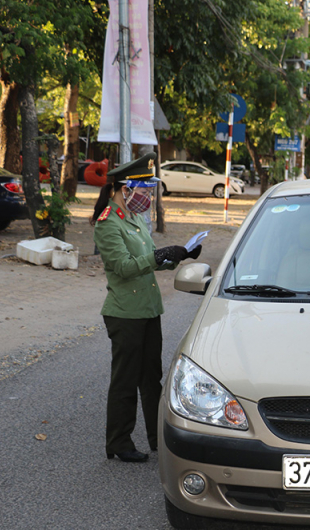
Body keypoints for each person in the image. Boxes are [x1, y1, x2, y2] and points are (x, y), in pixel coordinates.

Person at [91, 152, 201, 463]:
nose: (147, 196)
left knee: (153, 379)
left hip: (149, 310)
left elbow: (152, 258)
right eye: (144, 189)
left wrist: (180, 254)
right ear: (124, 188)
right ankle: (118, 441)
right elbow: (125, 267)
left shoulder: (137, 218)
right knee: (125, 380)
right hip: (124, 313)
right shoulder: (107, 224)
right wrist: (158, 256)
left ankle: (157, 439)